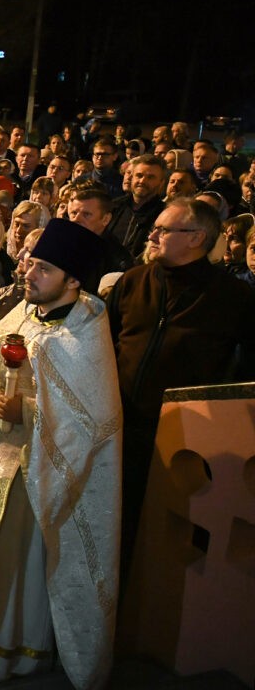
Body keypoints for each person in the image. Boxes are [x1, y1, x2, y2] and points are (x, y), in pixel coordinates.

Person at [0, 218, 120, 688]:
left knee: (19, 559)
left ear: (73, 281)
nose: (29, 273)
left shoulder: (86, 332)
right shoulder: (27, 313)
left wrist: (29, 410)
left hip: (42, 471)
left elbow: (93, 420)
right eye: (30, 262)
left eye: (44, 268)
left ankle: (11, 652)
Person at [107, 198, 255, 577]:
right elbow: (104, 349)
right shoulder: (133, 281)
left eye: (163, 230)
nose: (152, 235)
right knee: (114, 535)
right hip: (120, 430)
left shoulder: (233, 298)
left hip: (186, 443)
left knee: (165, 544)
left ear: (196, 238)